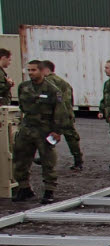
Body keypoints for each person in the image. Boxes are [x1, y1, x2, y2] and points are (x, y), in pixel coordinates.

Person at [12, 60, 70, 204]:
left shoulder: (52, 90)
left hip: (45, 130)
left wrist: (57, 131)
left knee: (48, 161)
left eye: (33, 70)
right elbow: (22, 107)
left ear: (42, 71)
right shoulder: (23, 87)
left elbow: (60, 111)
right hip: (27, 129)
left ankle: (49, 190)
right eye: (29, 70)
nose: (30, 73)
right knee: (20, 159)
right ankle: (24, 188)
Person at [40, 60, 84, 171]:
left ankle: (45, 157)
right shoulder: (63, 82)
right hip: (67, 113)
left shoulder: (47, 82)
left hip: (56, 114)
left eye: (41, 70)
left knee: (47, 134)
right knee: (71, 138)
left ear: (47, 70)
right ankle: (78, 160)